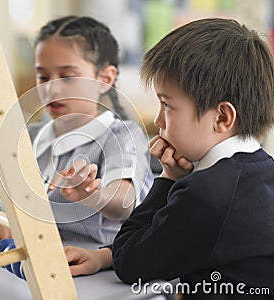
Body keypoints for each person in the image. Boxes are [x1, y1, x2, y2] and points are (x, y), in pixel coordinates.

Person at [65, 18, 274, 298]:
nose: (158, 119)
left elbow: (131, 263)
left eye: (167, 105)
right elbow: (167, 244)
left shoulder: (207, 194)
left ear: (223, 117)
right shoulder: (260, 172)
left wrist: (168, 178)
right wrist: (105, 256)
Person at [0, 16, 153, 245]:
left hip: (98, 266)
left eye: (67, 76)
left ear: (105, 78)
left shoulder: (123, 136)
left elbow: (122, 203)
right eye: (43, 76)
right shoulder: (30, 136)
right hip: (38, 257)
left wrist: (95, 195)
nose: (51, 88)